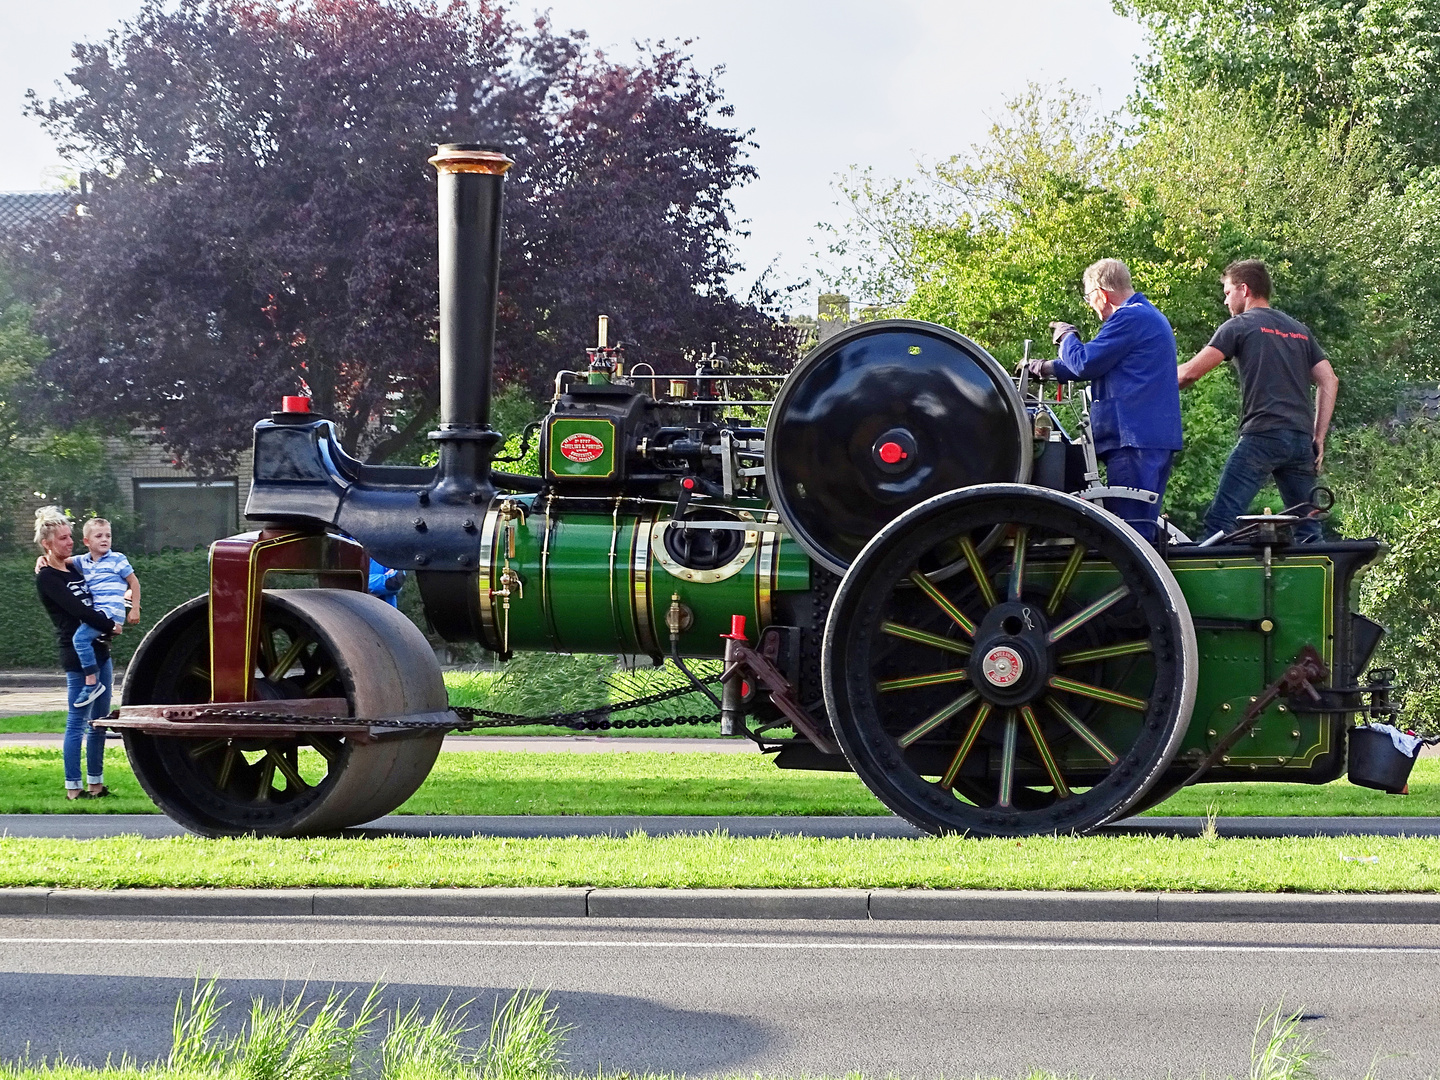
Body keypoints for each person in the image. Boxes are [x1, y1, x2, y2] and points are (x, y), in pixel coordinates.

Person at [1176, 259, 1338, 543]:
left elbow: (1188, 375)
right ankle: (1311, 585)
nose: (1226, 301)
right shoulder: (1299, 330)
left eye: (1227, 293)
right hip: (1301, 442)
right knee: (1308, 530)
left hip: (1262, 436)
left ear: (1244, 289)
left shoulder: (1239, 326)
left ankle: (1222, 586)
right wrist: (1319, 436)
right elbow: (1329, 380)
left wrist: (1147, 379)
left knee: (1220, 522)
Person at [1029, 258, 1183, 537]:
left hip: (1132, 439)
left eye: (1089, 298)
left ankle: (1131, 581)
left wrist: (1066, 338)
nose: (1091, 305)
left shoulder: (1129, 317)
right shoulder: (1148, 316)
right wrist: (1046, 367)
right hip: (1150, 438)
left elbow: (1085, 362)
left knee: (1129, 533)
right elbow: (1098, 362)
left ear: (1101, 293)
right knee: (1140, 528)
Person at [33, 506, 121, 800]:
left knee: (99, 722)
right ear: (47, 543)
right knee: (76, 722)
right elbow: (79, 610)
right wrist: (111, 624)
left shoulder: (72, 567)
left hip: (100, 652)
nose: (69, 542)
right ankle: (73, 787)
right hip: (76, 657)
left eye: (70, 537)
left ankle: (96, 785)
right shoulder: (47, 578)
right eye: (62, 539)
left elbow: (103, 580)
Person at [64, 518, 141, 707]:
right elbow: (61, 561)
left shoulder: (117, 559)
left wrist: (135, 608)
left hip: (110, 612)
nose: (105, 539)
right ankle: (103, 645)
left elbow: (134, 582)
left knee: (80, 639)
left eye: (108, 535)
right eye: (99, 536)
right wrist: (42, 559)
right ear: (87, 542)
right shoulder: (84, 561)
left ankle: (91, 683)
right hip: (98, 613)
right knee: (91, 640)